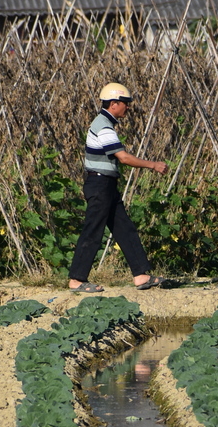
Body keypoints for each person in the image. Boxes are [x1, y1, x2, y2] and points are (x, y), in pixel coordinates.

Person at [67, 83, 169, 293]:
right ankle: (76, 280)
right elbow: (123, 158)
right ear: (114, 104)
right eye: (126, 104)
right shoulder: (103, 126)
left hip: (106, 184)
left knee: (124, 229)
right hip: (100, 184)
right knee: (93, 231)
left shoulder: (106, 124)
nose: (128, 108)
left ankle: (141, 276)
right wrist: (153, 165)